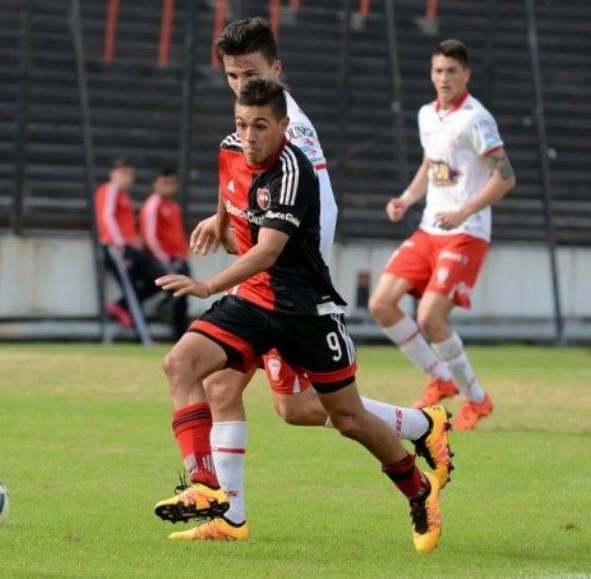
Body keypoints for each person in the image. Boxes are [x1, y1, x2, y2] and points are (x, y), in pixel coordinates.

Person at [170, 17, 451, 541]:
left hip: (294, 294)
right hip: (257, 285)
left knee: (310, 409)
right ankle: (225, 510)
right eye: (231, 75)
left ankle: (419, 429)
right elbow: (238, 178)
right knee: (214, 380)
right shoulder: (247, 129)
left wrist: (266, 281)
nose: (240, 85)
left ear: (276, 69)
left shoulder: (292, 135)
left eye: (249, 72)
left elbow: (309, 213)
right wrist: (222, 219)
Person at [368, 39, 516, 430]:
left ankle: (477, 399)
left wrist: (463, 211)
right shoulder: (426, 115)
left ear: (465, 74)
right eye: (438, 71)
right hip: (429, 229)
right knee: (381, 303)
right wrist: (405, 198)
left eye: (452, 71)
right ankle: (440, 377)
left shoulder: (476, 119)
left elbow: (505, 177)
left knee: (430, 317)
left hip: (465, 232)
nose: (444, 78)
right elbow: (430, 164)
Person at [94, 158, 166, 331]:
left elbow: (126, 223)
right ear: (113, 174)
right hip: (118, 248)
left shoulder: (125, 196)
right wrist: (120, 243)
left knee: (157, 280)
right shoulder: (110, 190)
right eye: (124, 173)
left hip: (131, 248)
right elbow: (107, 216)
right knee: (131, 287)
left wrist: (136, 241)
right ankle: (142, 333)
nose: (128, 178)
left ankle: (120, 306)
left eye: (130, 175)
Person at [140, 168, 190, 341]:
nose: (169, 187)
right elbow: (149, 235)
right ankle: (177, 329)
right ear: (155, 184)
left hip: (178, 258)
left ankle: (179, 331)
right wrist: (164, 260)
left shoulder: (174, 206)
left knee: (183, 294)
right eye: (164, 183)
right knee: (177, 291)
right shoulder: (154, 204)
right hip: (166, 259)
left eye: (172, 183)